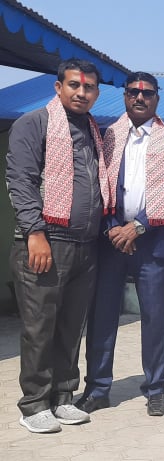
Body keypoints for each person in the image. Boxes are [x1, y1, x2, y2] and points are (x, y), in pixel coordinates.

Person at [77, 72, 164, 417]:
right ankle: (97, 389)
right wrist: (115, 228)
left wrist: (137, 227)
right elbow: (96, 185)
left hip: (152, 243)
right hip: (110, 240)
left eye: (147, 93)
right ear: (125, 96)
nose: (140, 98)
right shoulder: (107, 134)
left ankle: (155, 389)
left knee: (154, 319)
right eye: (133, 92)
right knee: (102, 316)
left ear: (157, 98)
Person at [7, 59, 107, 433]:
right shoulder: (34, 123)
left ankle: (63, 397)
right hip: (45, 242)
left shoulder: (95, 131)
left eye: (89, 87)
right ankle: (34, 404)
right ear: (58, 87)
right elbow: (21, 179)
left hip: (86, 244)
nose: (81, 93)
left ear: (97, 92)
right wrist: (35, 232)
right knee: (40, 327)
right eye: (74, 85)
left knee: (70, 326)